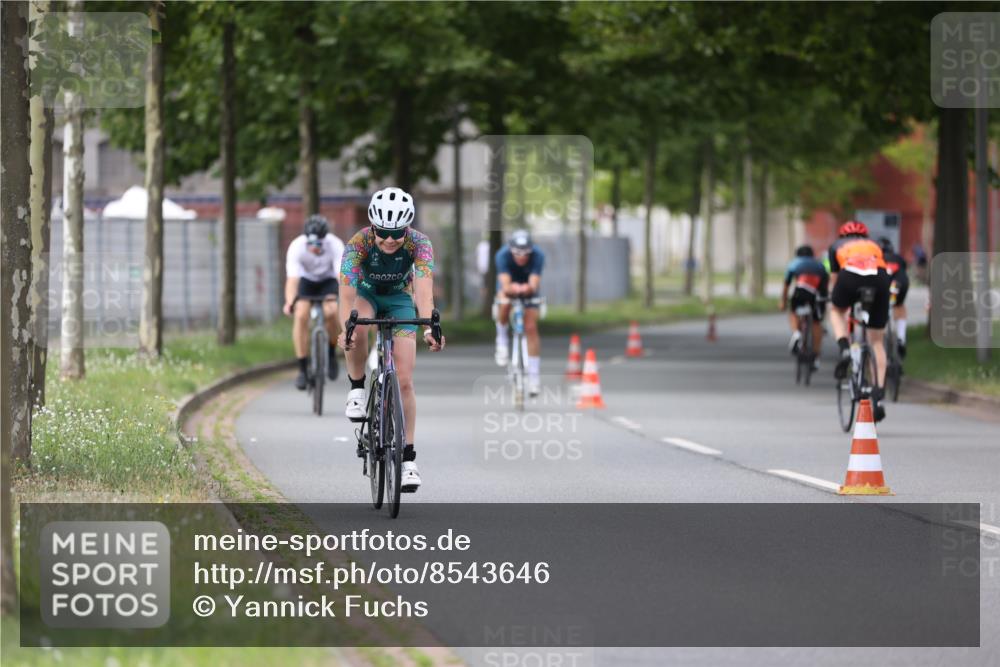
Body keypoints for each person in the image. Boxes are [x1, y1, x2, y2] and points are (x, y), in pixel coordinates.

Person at [337, 187, 445, 492]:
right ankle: (357, 387)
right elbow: (345, 294)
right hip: (366, 295)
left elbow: (423, 291)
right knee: (357, 327)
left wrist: (429, 327)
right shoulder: (357, 244)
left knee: (406, 380)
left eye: (396, 232)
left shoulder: (420, 244)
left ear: (406, 227)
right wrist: (345, 327)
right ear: (373, 226)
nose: (389, 239)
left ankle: (408, 459)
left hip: (399, 299)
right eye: (383, 231)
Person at [827, 221, 891, 421]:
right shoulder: (875, 245)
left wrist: (833, 297)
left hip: (850, 276)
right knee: (877, 341)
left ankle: (845, 346)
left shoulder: (836, 246)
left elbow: (834, 280)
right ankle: (879, 395)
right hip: (879, 279)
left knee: (836, 311)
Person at [283, 214, 345, 390]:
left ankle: (331, 353)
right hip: (307, 281)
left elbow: (341, 276)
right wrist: (289, 303)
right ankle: (302, 368)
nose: (314, 248)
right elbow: (292, 280)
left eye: (318, 244)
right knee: (301, 314)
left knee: (332, 311)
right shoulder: (296, 246)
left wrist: (344, 297)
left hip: (328, 281)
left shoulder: (335, 245)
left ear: (324, 240)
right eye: (311, 244)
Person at [493, 229, 545, 396]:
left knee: (530, 327)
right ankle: (501, 338)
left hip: (528, 288)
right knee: (505, 302)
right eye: (517, 254)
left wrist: (527, 288)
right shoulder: (502, 255)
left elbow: (534, 283)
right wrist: (512, 289)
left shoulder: (538, 255)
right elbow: (505, 284)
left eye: (525, 254)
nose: (522, 257)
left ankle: (534, 377)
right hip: (509, 285)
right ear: (511, 250)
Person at [780, 245, 829, 367]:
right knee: (817, 323)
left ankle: (796, 333)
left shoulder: (794, 263)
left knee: (793, 312)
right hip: (817, 294)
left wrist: (783, 302)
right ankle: (816, 357)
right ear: (812, 255)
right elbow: (825, 287)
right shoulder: (820, 265)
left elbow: (786, 285)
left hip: (801, 291)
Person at [878, 237, 910, 358]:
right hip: (900, 282)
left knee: (880, 306)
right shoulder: (898, 258)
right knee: (899, 306)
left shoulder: (877, 258)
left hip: (884, 283)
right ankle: (901, 337)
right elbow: (904, 269)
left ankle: (882, 335)